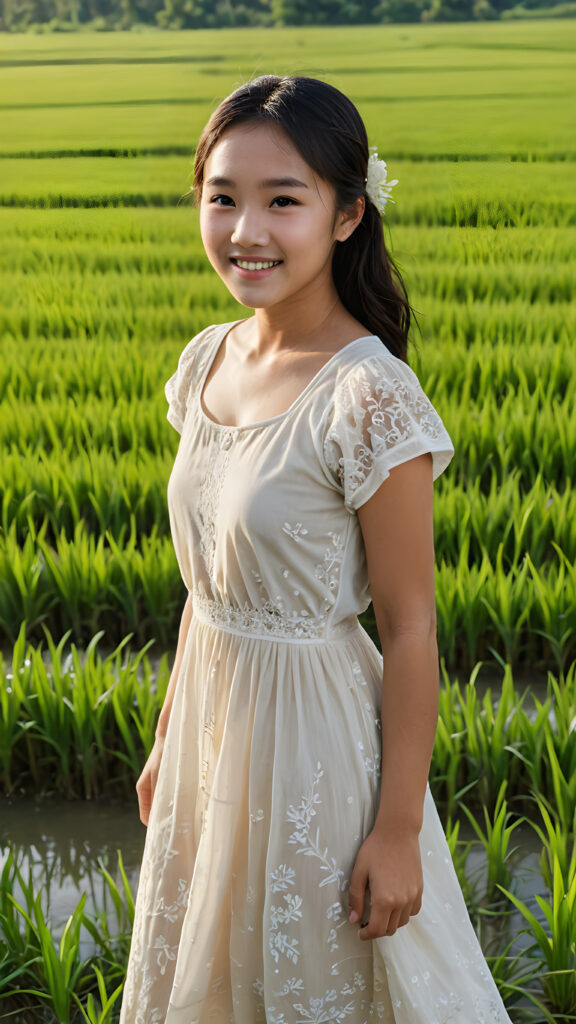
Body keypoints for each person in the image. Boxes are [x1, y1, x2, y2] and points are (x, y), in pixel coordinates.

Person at [119, 75, 513, 1024]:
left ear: (346, 216)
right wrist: (174, 729)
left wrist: (400, 828)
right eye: (222, 197)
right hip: (214, 724)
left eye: (282, 201)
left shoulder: (366, 395)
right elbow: (212, 579)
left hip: (317, 748)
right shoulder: (207, 359)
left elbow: (412, 625)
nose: (245, 230)